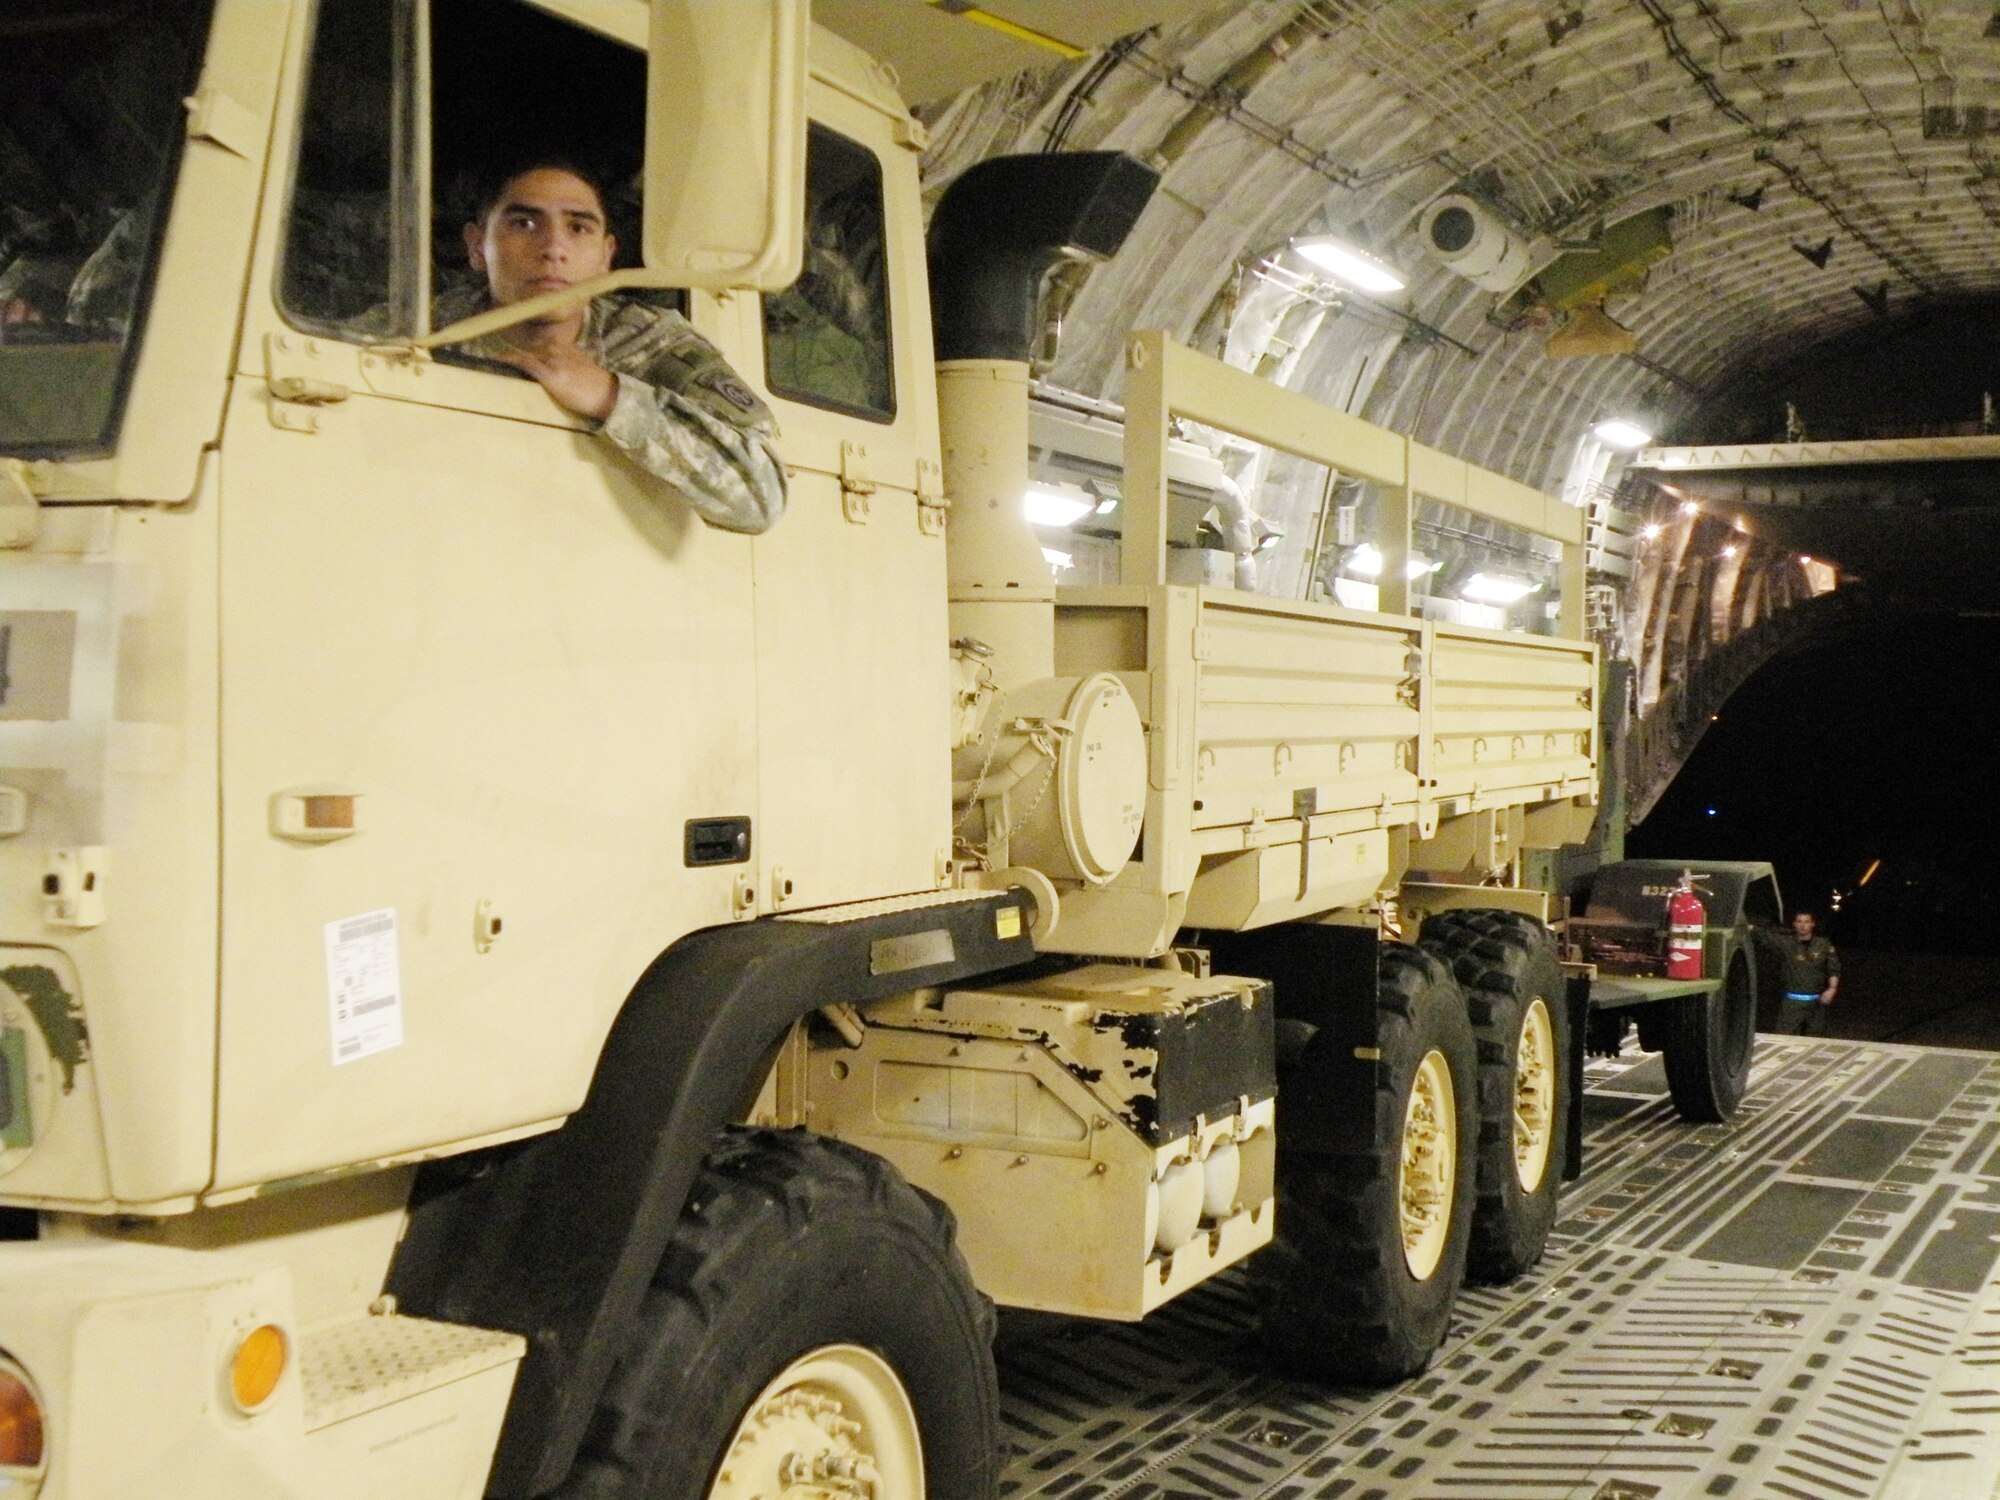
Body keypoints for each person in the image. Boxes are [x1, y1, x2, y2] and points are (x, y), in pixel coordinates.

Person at [437, 155, 785, 535]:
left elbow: (761, 496)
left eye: (578, 228)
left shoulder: (645, 339)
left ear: (606, 256)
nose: (554, 248)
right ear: (476, 247)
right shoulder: (428, 328)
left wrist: (612, 397)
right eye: (525, 223)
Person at [1771, 909, 1840, 1036]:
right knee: (1783, 1037)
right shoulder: (1786, 944)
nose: (1803, 926)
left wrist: (1832, 989)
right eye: (1799, 922)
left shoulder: (1823, 945)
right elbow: (1764, 936)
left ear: (1813, 924)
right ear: (1794, 924)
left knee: (1814, 1039)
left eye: (1807, 922)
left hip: (1815, 1003)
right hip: (1792, 1003)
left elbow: (1833, 969)